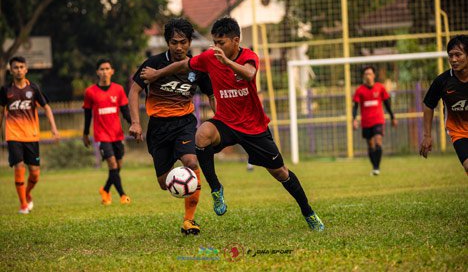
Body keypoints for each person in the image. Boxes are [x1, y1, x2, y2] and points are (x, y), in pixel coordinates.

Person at [138, 16, 324, 231]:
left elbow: (249, 74)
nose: (216, 47)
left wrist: (226, 62)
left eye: (221, 42)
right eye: (214, 42)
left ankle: (308, 212)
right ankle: (216, 189)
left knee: (281, 172)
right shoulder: (210, 58)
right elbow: (182, 65)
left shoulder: (249, 56)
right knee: (202, 134)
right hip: (226, 122)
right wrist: (157, 74)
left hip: (254, 128)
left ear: (236, 40)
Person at [128, 18, 216, 235]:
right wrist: (136, 123)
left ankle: (189, 221)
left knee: (191, 162)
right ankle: (180, 187)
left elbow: (212, 94)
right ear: (167, 42)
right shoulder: (154, 63)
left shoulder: (197, 68)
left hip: (184, 124)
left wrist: (221, 117)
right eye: (174, 42)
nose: (179, 47)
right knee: (163, 182)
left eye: (184, 42)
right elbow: (134, 91)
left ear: (189, 42)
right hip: (158, 128)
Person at [0, 56, 59, 214]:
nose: (19, 70)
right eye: (15, 67)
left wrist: (54, 128)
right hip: (13, 135)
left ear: (26, 69)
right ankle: (23, 205)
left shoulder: (33, 88)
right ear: (11, 70)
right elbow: (1, 112)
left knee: (35, 173)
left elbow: (46, 108)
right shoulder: (6, 90)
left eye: (21, 67)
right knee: (19, 167)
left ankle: (26, 193)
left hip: (31, 136)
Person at [83, 59, 132, 205]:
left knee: (118, 166)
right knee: (112, 164)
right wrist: (85, 133)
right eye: (101, 69)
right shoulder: (90, 92)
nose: (104, 72)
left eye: (107, 69)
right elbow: (87, 114)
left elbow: (125, 111)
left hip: (117, 134)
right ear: (97, 72)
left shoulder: (118, 89)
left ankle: (105, 190)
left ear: (112, 71)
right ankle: (123, 195)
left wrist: (134, 125)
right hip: (102, 135)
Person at [420, 35, 468, 173]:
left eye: (458, 55)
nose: (453, 60)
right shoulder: (442, 81)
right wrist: (427, 136)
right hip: (459, 133)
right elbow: (429, 105)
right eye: (450, 55)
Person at [352, 66, 397, 175]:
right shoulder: (359, 90)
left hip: (378, 120)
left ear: (374, 75)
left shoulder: (380, 88)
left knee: (378, 141)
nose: (368, 76)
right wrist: (354, 119)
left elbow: (387, 103)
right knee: (370, 145)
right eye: (366, 74)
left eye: (370, 73)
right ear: (363, 76)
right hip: (366, 122)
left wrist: (392, 117)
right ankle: (374, 167)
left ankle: (377, 167)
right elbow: (355, 106)